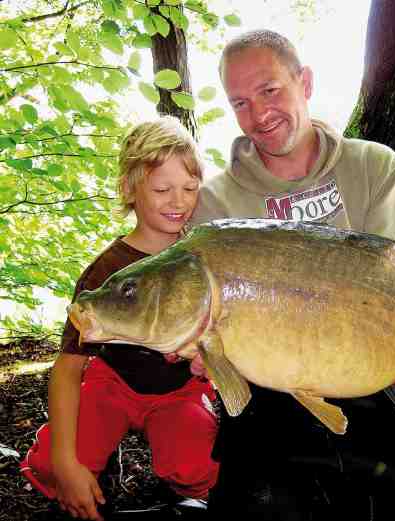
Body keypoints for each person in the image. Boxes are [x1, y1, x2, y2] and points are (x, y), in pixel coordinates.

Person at [189, 30, 395, 520]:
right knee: (261, 508)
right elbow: (205, 321)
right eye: (240, 102)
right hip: (269, 391)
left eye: (270, 90)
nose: (259, 114)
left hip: (369, 378)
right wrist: (207, 353)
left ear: (304, 82)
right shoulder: (215, 203)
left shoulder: (372, 167)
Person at [20, 117, 218, 521]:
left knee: (195, 467)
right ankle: (91, 472)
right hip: (113, 383)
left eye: (189, 189)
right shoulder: (105, 272)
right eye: (162, 189)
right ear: (130, 188)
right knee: (53, 465)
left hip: (181, 389)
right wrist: (65, 462)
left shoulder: (206, 259)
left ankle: (192, 494)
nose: (178, 201)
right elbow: (67, 370)